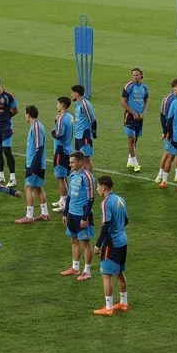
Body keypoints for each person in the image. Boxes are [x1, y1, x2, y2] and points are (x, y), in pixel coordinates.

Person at [93, 176, 129, 316]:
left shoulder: (106, 203)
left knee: (106, 275)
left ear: (104, 187)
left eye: (98, 186)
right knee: (119, 273)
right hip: (123, 240)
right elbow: (125, 220)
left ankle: (108, 307)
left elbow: (106, 225)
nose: (97, 189)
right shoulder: (120, 199)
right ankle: (124, 303)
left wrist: (98, 244)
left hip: (111, 242)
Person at [60, 152, 96, 281]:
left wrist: (84, 217)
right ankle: (75, 267)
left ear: (80, 162)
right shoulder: (73, 174)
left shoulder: (88, 177)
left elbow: (91, 198)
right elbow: (69, 195)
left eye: (72, 162)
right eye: (70, 162)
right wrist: (65, 213)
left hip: (83, 215)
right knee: (74, 240)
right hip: (72, 214)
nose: (70, 164)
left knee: (85, 242)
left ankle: (87, 271)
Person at [15, 106, 50, 224]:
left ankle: (29, 216)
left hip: (35, 163)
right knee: (38, 188)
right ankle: (44, 213)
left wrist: (34, 166)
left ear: (29, 114)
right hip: (36, 163)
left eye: (25, 114)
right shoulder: (36, 126)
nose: (25, 116)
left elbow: (39, 147)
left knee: (28, 188)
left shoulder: (36, 127)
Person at [155, 79, 177, 186]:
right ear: (173, 88)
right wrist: (165, 131)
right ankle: (160, 174)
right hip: (170, 130)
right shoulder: (168, 99)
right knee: (167, 153)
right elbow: (163, 116)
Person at [121, 68, 149, 172]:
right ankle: (135, 162)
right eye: (133, 75)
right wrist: (133, 113)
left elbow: (146, 100)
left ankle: (130, 159)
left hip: (140, 117)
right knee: (131, 139)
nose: (135, 77)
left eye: (137, 75)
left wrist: (143, 113)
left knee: (136, 138)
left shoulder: (144, 87)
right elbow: (123, 102)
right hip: (130, 116)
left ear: (141, 75)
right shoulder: (128, 86)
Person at [51, 96, 74, 213]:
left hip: (61, 150)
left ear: (62, 105)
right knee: (65, 177)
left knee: (61, 177)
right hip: (69, 149)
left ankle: (64, 203)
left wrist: (52, 131)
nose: (57, 106)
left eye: (58, 104)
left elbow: (59, 134)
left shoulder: (61, 118)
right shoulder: (70, 117)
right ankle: (63, 200)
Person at [71, 85, 97, 172]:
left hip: (84, 134)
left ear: (77, 94)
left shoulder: (85, 104)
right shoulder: (77, 104)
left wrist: (93, 132)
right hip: (78, 135)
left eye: (73, 93)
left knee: (86, 158)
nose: (72, 94)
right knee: (79, 157)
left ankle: (89, 179)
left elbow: (93, 120)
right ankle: (83, 177)